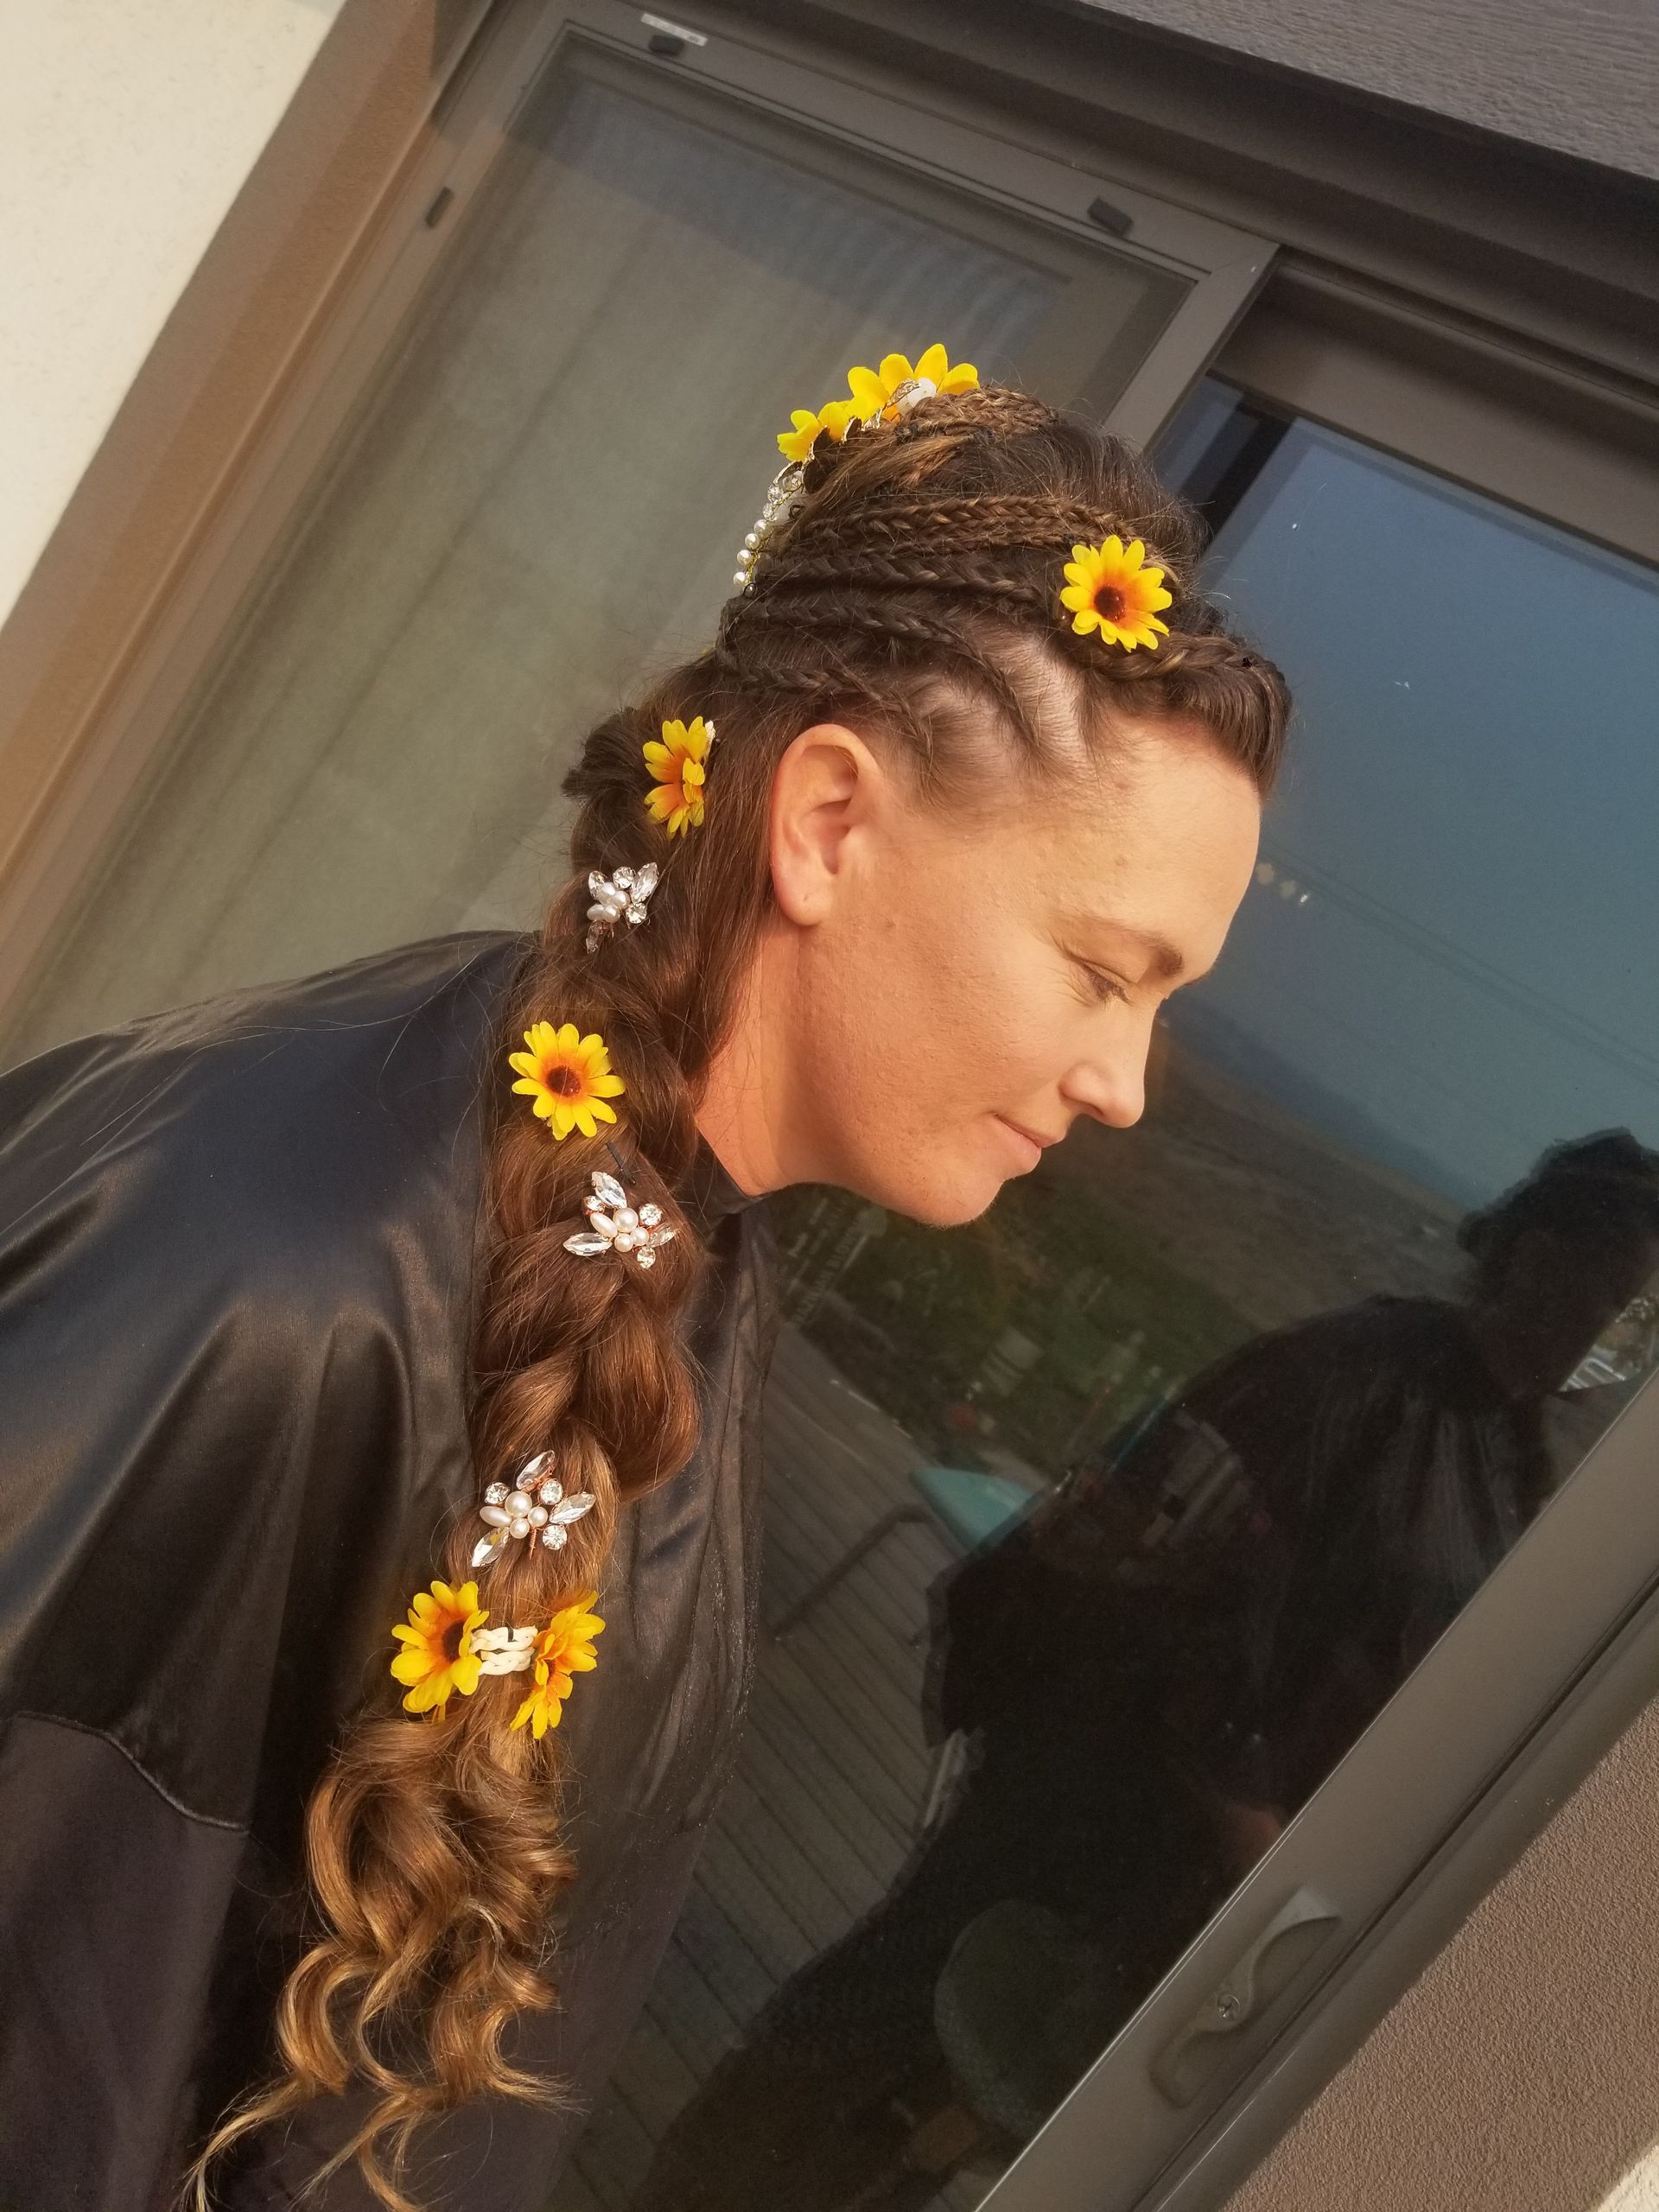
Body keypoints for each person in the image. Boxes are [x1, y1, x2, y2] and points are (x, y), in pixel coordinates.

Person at [0, 352, 1287, 2210]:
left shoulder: (656, 1229)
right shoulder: (275, 1277)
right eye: (1103, 968)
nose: (1126, 1081)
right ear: (829, 820)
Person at [635, 1130, 1659, 2211]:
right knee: (855, 2060)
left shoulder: (1509, 1453)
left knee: (939, 2128)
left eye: (1638, 1316)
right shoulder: (1348, 1379)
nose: (1617, 1332)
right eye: (1615, 1292)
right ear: (1537, 1258)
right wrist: (1249, 1813)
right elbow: (1148, 1571)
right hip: (1090, 1811)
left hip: (1195, 1890)